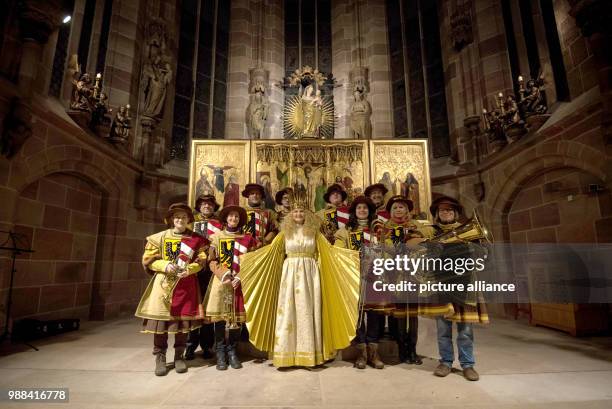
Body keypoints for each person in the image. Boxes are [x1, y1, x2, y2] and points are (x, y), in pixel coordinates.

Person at [239, 190, 361, 368]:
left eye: (301, 211)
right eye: (295, 211)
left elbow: (329, 252)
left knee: (308, 311)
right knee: (288, 310)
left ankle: (310, 354)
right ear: (290, 214)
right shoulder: (283, 233)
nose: (298, 214)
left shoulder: (314, 233)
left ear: (307, 213)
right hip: (289, 275)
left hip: (311, 275)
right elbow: (270, 253)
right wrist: (249, 260)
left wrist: (352, 258)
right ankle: (286, 354)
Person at [135, 203, 208, 376]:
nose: (180, 220)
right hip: (164, 286)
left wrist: (190, 269)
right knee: (161, 324)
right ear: (171, 220)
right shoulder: (158, 238)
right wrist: (164, 265)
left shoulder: (197, 239)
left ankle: (178, 356)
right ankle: (160, 357)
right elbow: (148, 259)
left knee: (181, 324)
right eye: (176, 217)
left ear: (189, 219)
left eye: (183, 217)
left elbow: (201, 261)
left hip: (186, 286)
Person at [428, 195, 489, 382]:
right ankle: (445, 362)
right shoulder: (431, 232)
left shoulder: (468, 231)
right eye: (442, 210)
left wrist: (474, 249)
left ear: (455, 213)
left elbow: (484, 255)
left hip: (465, 284)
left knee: (465, 330)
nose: (446, 213)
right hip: (441, 285)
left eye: (449, 210)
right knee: (443, 329)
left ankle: (468, 365)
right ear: (437, 214)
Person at [202, 205, 258, 370]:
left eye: (236, 217)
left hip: (240, 283)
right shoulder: (216, 237)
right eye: (231, 216)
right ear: (225, 219)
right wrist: (223, 274)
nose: (233, 219)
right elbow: (211, 260)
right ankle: (220, 351)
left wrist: (241, 276)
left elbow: (252, 261)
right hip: (221, 283)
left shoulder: (248, 239)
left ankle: (232, 351)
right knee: (220, 318)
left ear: (240, 220)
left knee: (237, 319)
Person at [334, 196, 386, 369]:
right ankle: (361, 352)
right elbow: (338, 252)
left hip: (375, 277)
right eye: (359, 208)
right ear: (354, 212)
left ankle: (374, 352)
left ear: (370, 211)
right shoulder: (345, 232)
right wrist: (357, 259)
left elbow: (390, 249)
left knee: (374, 315)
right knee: (357, 316)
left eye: (365, 208)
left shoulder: (379, 230)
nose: (362, 210)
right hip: (354, 277)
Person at [381, 196, 433, 365]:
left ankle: (413, 350)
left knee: (413, 316)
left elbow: (427, 240)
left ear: (407, 210)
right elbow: (383, 249)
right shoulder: (385, 228)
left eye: (401, 207)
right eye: (395, 207)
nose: (398, 210)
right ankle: (402, 351)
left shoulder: (417, 225)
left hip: (414, 275)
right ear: (390, 211)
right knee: (399, 315)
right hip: (395, 276)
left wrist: (415, 238)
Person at [185, 194, 221, 360]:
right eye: (204, 204)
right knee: (193, 307)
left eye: (210, 204)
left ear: (214, 207)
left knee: (207, 307)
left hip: (210, 270)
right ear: (199, 206)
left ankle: (207, 346)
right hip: (193, 269)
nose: (207, 206)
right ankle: (190, 346)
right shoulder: (190, 223)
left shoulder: (219, 224)